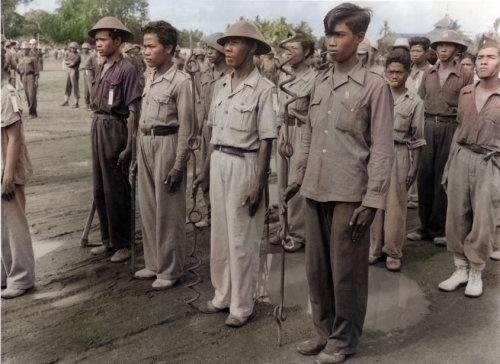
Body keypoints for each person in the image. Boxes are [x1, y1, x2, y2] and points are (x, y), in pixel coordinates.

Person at [284, 4, 394, 362]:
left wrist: (372, 201)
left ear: (360, 39)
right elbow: (307, 136)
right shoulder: (319, 80)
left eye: (340, 34)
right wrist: (296, 177)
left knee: (346, 274)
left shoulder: (375, 87)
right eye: (328, 35)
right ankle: (324, 331)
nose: (331, 43)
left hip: (350, 193)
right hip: (315, 189)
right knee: (316, 271)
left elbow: (381, 148)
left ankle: (344, 339)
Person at [194, 20, 276, 327]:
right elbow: (212, 133)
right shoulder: (220, 84)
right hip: (219, 161)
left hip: (246, 163)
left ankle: (242, 305)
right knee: (220, 235)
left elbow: (267, 138)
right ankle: (222, 295)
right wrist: (204, 170)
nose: (227, 48)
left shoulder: (264, 89)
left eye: (236, 43)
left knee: (242, 238)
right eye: (225, 43)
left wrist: (259, 181)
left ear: (252, 48)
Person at [133, 21, 193, 289]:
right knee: (148, 206)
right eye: (144, 46)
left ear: (168, 48)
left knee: (168, 210)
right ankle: (154, 262)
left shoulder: (181, 82)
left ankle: (170, 270)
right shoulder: (150, 76)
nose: (145, 51)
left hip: (167, 143)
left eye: (151, 46)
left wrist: (179, 163)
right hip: (145, 141)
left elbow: (188, 128)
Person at [438, 37, 500, 298]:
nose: (483, 62)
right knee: (456, 214)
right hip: (462, 156)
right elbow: (459, 131)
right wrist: (449, 165)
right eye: (480, 58)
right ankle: (460, 268)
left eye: (490, 57)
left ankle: (476, 270)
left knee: (484, 219)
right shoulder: (465, 93)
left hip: (490, 162)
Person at [407, 29, 473, 245]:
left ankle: (440, 228)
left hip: (450, 128)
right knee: (424, 176)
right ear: (435, 49)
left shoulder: (464, 75)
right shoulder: (429, 72)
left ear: (456, 50)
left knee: (443, 178)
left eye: (448, 45)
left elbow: (469, 107)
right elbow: (419, 101)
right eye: (440, 45)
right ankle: (424, 226)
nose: (443, 49)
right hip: (427, 126)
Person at [87, 17, 142, 263]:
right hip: (98, 125)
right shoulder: (102, 65)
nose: (98, 44)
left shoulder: (127, 68)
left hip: (115, 128)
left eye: (103, 39)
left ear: (117, 41)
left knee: (116, 187)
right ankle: (108, 239)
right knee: (100, 187)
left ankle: (125, 243)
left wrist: (130, 145)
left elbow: (133, 111)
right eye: (97, 39)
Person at [369, 50, 426, 271]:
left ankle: (393, 251)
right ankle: (374, 248)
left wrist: (414, 167)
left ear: (408, 73)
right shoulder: (377, 94)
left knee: (395, 206)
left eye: (399, 72)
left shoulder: (415, 102)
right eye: (390, 72)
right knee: (374, 202)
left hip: (399, 153)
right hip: (375, 153)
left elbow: (419, 139)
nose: (394, 76)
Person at [276, 32, 317, 252]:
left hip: (302, 132)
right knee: (281, 181)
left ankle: (298, 233)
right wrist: (280, 128)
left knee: (296, 182)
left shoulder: (314, 78)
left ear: (307, 52)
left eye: (294, 50)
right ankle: (283, 228)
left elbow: (314, 114)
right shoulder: (284, 75)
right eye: (286, 49)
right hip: (284, 130)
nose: (288, 54)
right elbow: (278, 105)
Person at [1, 49, 35, 299]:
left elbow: (13, 139)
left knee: (14, 225)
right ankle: (5, 273)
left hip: (7, 167)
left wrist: (8, 176)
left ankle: (21, 277)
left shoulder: (6, 93)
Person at [194, 32, 230, 228]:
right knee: (204, 173)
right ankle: (210, 214)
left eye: (211, 48)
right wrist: (197, 130)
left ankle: (222, 216)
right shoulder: (205, 74)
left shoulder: (231, 74)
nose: (207, 52)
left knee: (220, 173)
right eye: (206, 48)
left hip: (223, 130)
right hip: (207, 129)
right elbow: (200, 103)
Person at [406, 37, 432, 209]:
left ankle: (416, 196)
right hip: (404, 115)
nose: (414, 54)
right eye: (412, 51)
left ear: (427, 52)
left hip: (422, 116)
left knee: (419, 155)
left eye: (418, 51)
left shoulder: (431, 71)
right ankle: (407, 192)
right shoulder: (407, 70)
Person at [17, 42, 39, 119]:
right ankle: (33, 112)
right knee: (27, 95)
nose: (24, 51)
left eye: (26, 49)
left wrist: (36, 80)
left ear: (29, 50)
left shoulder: (33, 58)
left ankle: (32, 112)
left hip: (31, 76)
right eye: (23, 49)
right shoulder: (20, 59)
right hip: (23, 77)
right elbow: (19, 70)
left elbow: (36, 70)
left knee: (31, 95)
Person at [61, 42, 81, 108]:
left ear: (76, 48)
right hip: (69, 71)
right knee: (67, 86)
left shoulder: (78, 55)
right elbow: (65, 61)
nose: (72, 49)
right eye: (71, 48)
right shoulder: (69, 54)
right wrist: (69, 62)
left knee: (75, 87)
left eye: (74, 48)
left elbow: (72, 64)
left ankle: (76, 102)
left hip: (74, 71)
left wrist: (69, 63)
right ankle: (66, 101)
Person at [80, 43, 97, 110]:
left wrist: (88, 68)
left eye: (86, 49)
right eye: (83, 48)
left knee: (91, 90)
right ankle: (87, 104)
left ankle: (93, 105)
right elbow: (82, 64)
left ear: (88, 49)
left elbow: (95, 65)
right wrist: (81, 67)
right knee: (86, 90)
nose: (84, 50)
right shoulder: (82, 55)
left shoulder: (92, 55)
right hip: (84, 73)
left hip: (90, 73)